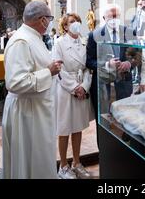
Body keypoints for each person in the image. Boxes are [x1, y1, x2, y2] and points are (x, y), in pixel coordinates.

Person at [1, 0, 63, 179]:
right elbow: (15, 82)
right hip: (26, 113)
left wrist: (49, 67)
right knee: (29, 162)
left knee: (40, 160)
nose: (50, 22)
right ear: (43, 20)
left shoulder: (34, 38)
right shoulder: (21, 41)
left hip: (37, 110)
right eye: (49, 18)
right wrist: (48, 71)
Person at [53, 13, 93, 179]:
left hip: (82, 88)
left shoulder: (85, 41)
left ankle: (76, 162)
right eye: (71, 22)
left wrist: (84, 86)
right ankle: (63, 166)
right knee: (64, 129)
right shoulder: (59, 43)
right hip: (65, 89)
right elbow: (58, 69)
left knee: (77, 127)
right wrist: (74, 87)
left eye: (77, 21)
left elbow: (88, 67)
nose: (75, 23)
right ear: (65, 26)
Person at [86, 4, 136, 118]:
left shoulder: (129, 32)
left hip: (124, 83)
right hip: (103, 84)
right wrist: (107, 64)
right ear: (104, 18)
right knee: (104, 118)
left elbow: (137, 54)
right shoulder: (94, 35)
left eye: (116, 16)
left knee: (125, 117)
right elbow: (89, 61)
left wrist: (129, 63)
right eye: (110, 17)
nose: (114, 19)